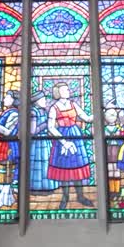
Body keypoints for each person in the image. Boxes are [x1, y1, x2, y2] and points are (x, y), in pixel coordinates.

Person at [46, 82, 94, 210]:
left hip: (76, 136)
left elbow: (87, 118)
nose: (68, 91)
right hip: (62, 137)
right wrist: (64, 142)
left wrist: (102, 111)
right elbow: (50, 127)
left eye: (68, 89)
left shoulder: (74, 104)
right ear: (58, 92)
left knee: (77, 166)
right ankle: (65, 197)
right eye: (65, 90)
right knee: (64, 168)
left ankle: (80, 196)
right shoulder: (54, 108)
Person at [0, 90, 20, 208]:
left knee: (6, 171)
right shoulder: (6, 112)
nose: (4, 99)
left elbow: (9, 132)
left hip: (8, 146)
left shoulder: (14, 114)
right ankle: (0, 196)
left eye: (7, 97)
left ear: (14, 100)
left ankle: (6, 198)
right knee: (0, 171)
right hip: (1, 144)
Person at [28, 92, 59, 193]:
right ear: (36, 102)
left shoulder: (44, 112)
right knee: (37, 165)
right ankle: (36, 188)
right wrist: (46, 125)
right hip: (36, 143)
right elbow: (33, 131)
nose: (45, 101)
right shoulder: (33, 112)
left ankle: (48, 187)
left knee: (46, 164)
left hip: (45, 141)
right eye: (43, 99)